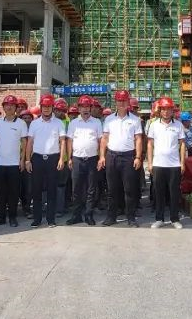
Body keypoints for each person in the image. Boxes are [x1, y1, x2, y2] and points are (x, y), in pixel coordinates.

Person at [102, 89, 143, 227]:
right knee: (112, 189)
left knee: (129, 190)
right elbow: (104, 138)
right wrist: (102, 156)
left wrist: (138, 157)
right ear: (116, 102)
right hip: (111, 156)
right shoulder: (109, 119)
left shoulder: (135, 120)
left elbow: (138, 139)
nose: (121, 103)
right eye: (119, 101)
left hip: (128, 157)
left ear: (128, 102)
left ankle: (131, 217)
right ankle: (111, 217)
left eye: (124, 101)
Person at [145, 96, 186, 230]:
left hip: (174, 165)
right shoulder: (154, 125)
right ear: (160, 111)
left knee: (174, 193)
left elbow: (182, 144)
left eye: (169, 109)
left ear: (172, 111)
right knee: (159, 193)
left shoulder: (178, 125)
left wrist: (182, 163)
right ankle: (159, 219)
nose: (166, 112)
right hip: (158, 164)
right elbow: (150, 144)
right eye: (163, 109)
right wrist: (150, 163)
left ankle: (175, 219)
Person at [26, 95, 65, 228]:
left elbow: (62, 141)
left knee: (52, 189)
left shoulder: (58, 123)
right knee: (36, 189)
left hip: (53, 158)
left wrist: (61, 158)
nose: (46, 109)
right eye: (44, 106)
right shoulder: (34, 123)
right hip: (37, 158)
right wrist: (27, 160)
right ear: (41, 107)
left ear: (52, 107)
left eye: (49, 106)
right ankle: (37, 219)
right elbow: (30, 142)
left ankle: (50, 219)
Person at [65, 95, 104, 226]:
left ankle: (88, 215)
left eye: (88, 107)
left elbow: (101, 141)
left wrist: (101, 157)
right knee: (76, 189)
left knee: (91, 189)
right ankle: (76, 215)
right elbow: (70, 141)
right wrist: (69, 158)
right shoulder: (74, 123)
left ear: (91, 108)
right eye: (83, 107)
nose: (85, 109)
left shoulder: (96, 122)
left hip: (92, 159)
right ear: (79, 108)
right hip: (77, 159)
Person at [0, 95, 28, 227]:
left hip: (14, 163)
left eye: (12, 105)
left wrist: (23, 160)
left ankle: (12, 217)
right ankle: (0, 216)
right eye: (7, 105)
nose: (9, 107)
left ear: (16, 108)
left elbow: (24, 143)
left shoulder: (21, 123)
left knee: (13, 192)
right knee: (0, 192)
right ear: (3, 107)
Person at [19, 105, 35, 217]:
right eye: (24, 118)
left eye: (29, 118)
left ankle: (27, 207)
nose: (27, 120)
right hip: (18, 161)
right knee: (18, 186)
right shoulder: (18, 130)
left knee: (29, 186)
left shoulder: (34, 131)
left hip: (30, 161)